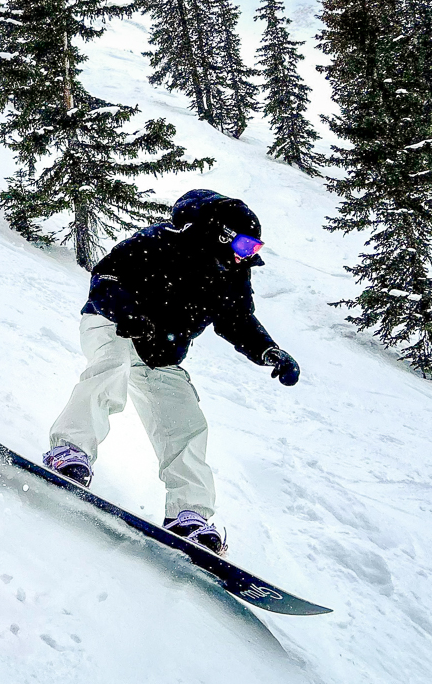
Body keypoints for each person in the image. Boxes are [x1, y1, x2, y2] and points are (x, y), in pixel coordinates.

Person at [44, 190, 300, 554]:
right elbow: (106, 278)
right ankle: (70, 450)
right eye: (245, 245)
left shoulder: (232, 273)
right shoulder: (158, 242)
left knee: (187, 423)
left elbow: (237, 319)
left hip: (160, 354)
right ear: (220, 233)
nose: (247, 255)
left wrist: (269, 351)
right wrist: (127, 313)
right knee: (111, 368)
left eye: (254, 250)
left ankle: (189, 515)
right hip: (113, 325)